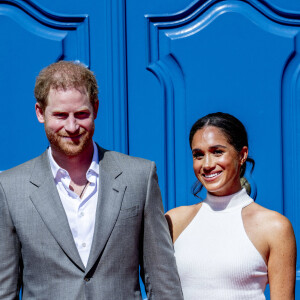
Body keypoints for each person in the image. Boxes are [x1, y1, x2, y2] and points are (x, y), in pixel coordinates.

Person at [0, 61, 183, 299]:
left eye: (82, 114)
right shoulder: (10, 187)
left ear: (96, 109)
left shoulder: (139, 176)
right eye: (60, 115)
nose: (72, 126)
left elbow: (162, 280)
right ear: (39, 112)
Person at [166, 112, 296, 299]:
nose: (207, 164)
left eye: (217, 152)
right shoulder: (175, 220)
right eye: (198, 155)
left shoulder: (275, 227)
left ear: (242, 155)